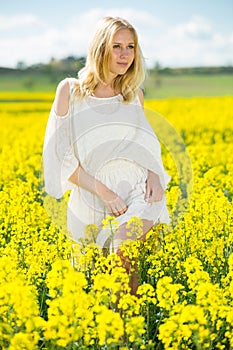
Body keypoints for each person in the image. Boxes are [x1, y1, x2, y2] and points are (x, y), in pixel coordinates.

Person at [43, 16, 170, 293]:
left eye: (131, 47)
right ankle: (120, 335)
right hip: (92, 194)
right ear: (100, 48)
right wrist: (104, 192)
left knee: (124, 250)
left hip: (138, 192)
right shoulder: (70, 91)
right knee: (105, 280)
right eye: (117, 46)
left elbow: (145, 145)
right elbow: (62, 157)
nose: (125, 54)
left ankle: (127, 335)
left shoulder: (133, 94)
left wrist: (155, 176)